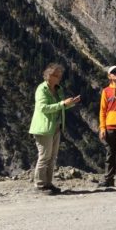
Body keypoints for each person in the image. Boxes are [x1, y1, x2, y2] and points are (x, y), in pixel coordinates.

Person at [28, 62, 81, 195]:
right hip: (44, 128)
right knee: (45, 156)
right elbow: (44, 108)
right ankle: (39, 185)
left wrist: (70, 103)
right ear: (48, 75)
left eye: (59, 75)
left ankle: (48, 183)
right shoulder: (42, 89)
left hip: (55, 127)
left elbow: (59, 106)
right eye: (56, 75)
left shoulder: (58, 89)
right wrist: (63, 103)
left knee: (52, 157)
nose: (58, 78)